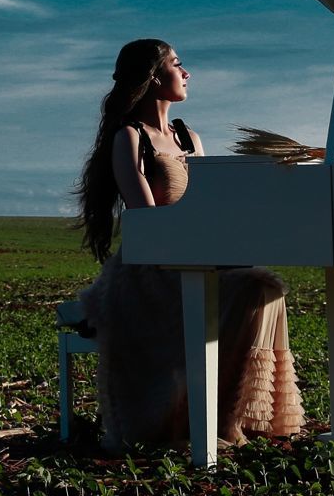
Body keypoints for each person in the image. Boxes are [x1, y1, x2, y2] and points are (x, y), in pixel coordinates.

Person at [73, 38, 304, 451]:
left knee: (266, 288)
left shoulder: (189, 138)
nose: (186, 72)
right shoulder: (130, 137)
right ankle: (191, 419)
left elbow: (209, 210)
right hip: (149, 270)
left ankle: (224, 415)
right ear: (153, 76)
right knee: (254, 288)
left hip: (198, 257)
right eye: (177, 64)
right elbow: (145, 222)